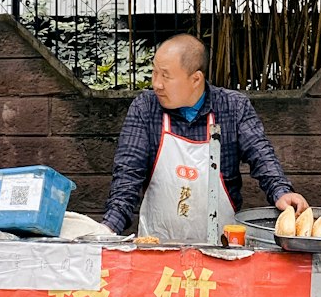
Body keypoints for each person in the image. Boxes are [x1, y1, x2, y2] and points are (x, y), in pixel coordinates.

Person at [101, 34, 308, 243]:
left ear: (196, 79)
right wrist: (109, 228)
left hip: (222, 246)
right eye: (154, 72)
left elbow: (261, 156)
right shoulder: (145, 108)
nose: (156, 84)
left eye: (165, 76)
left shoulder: (233, 107)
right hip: (157, 248)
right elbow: (127, 177)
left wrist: (281, 192)